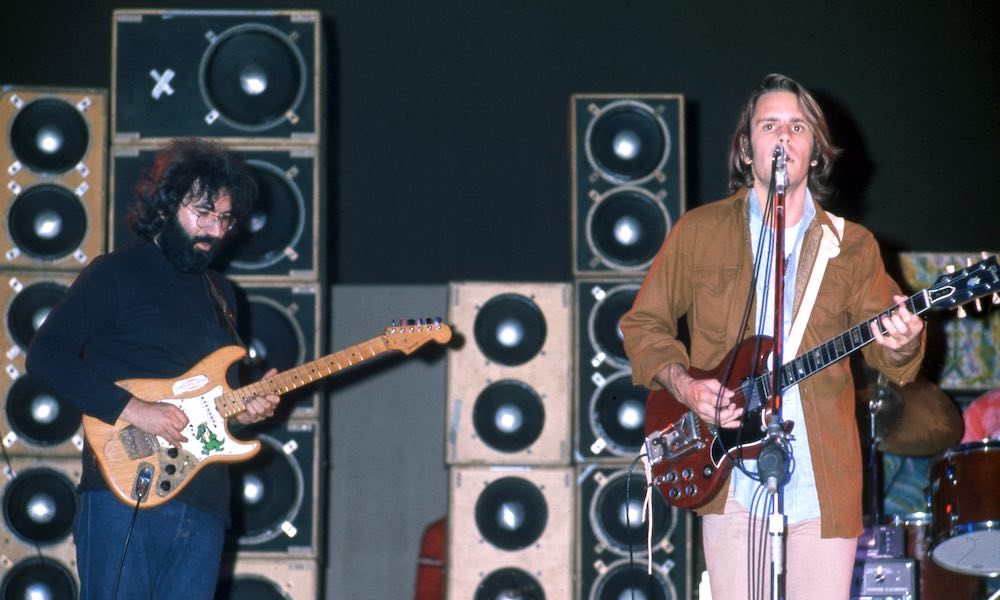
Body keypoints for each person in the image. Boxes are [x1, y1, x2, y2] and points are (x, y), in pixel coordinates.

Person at [620, 73, 925, 600]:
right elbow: (642, 325)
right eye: (769, 125)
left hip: (822, 480)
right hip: (729, 475)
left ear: (815, 150)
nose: (783, 137)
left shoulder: (852, 246)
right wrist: (687, 387)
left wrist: (902, 339)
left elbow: (890, 354)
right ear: (746, 147)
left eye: (798, 126)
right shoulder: (699, 232)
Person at [26, 138, 281, 600]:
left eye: (223, 219)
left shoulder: (221, 294)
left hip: (204, 501)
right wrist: (136, 410)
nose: (213, 230)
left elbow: (220, 403)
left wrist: (248, 408)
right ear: (166, 205)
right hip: (125, 492)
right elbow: (46, 354)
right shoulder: (116, 273)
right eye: (202, 213)